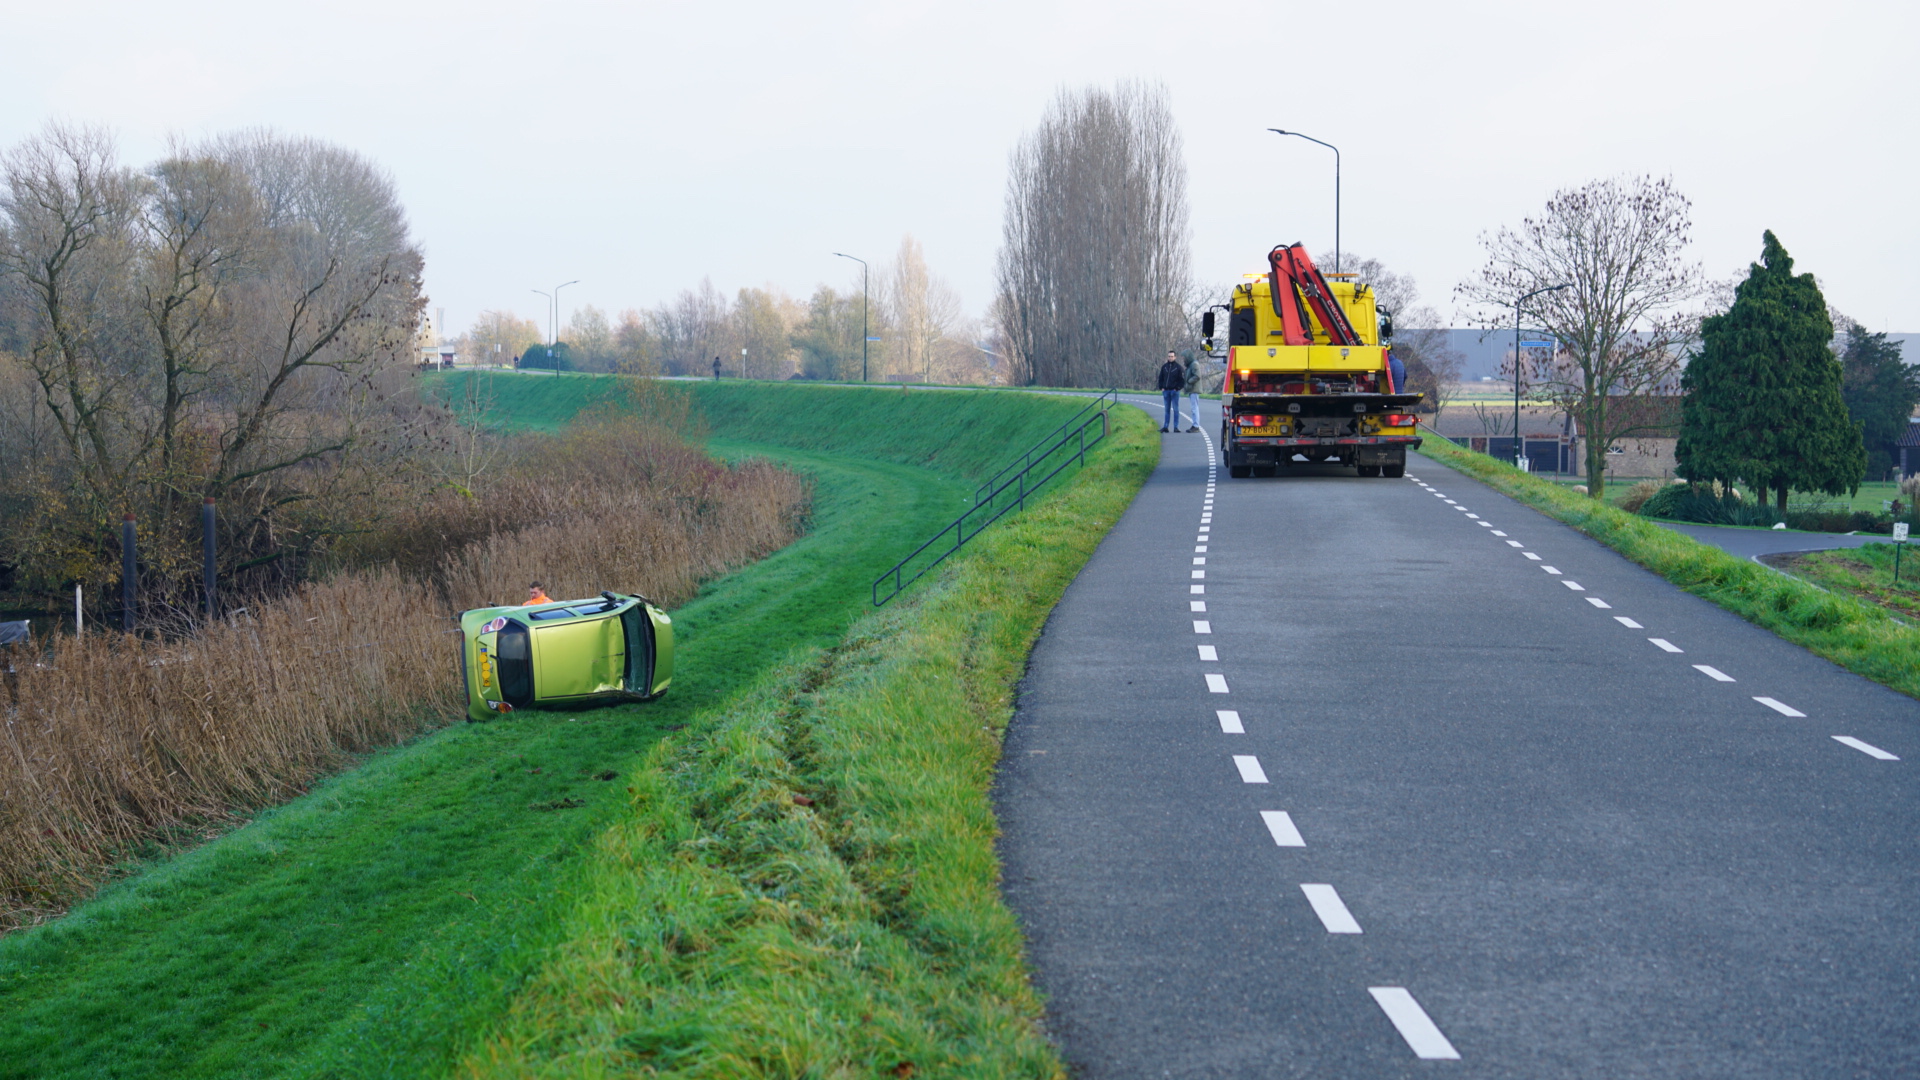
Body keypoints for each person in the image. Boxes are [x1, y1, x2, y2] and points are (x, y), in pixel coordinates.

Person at [1155, 351, 1186, 433]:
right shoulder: (1164, 367)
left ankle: (1176, 427)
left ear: (1175, 357)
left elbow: (1182, 380)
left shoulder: (1178, 368)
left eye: (1172, 356)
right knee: (1166, 410)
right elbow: (1160, 378)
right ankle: (1166, 426)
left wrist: (1177, 388)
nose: (1170, 358)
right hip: (1166, 391)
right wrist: (1161, 387)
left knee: (1176, 409)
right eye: (1169, 356)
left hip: (1174, 391)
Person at [1182, 350, 1202, 432]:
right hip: (1191, 389)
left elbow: (1197, 376)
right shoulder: (1190, 365)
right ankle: (1195, 425)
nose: (1183, 359)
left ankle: (1196, 426)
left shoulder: (1194, 364)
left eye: (1184, 357)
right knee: (1194, 408)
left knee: (1194, 408)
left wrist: (1189, 381)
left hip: (1194, 389)